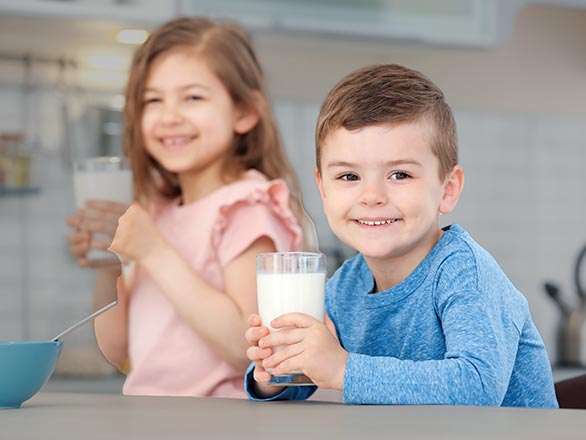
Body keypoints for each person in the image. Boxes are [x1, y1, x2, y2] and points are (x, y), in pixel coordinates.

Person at [244, 64, 558, 407]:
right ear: (322, 188)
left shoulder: (464, 274)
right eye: (349, 177)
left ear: (447, 189)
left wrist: (343, 369)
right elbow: (312, 373)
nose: (372, 196)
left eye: (399, 174)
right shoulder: (345, 286)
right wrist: (276, 374)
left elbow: (477, 387)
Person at [67, 17, 314, 398]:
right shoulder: (155, 214)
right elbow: (117, 352)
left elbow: (246, 352)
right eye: (153, 100)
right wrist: (109, 268)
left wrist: (155, 252)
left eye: (193, 97)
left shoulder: (246, 207)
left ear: (244, 112)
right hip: (151, 417)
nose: (169, 116)